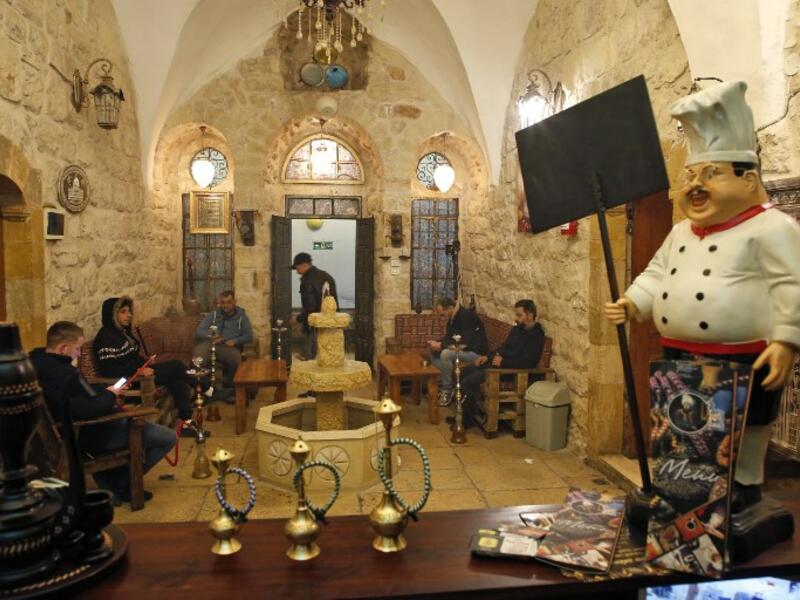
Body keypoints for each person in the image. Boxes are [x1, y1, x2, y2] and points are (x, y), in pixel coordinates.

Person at [604, 81, 800, 513]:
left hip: (745, 354)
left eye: (711, 175)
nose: (696, 186)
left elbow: (792, 285)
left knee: (749, 423)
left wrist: (787, 340)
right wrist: (633, 302)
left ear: (749, 179)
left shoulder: (771, 228)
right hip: (679, 352)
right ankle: (685, 488)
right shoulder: (680, 232)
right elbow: (656, 273)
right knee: (685, 422)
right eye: (691, 176)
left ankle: (745, 487)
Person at [29, 321, 176, 506]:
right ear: (64, 348)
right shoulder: (62, 374)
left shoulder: (37, 363)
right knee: (166, 437)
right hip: (86, 435)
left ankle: (113, 480)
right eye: (77, 349)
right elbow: (88, 410)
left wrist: (105, 390)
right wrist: (110, 395)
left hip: (73, 432)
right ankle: (119, 483)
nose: (79, 354)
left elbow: (81, 394)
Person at [93, 296, 207, 438]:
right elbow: (109, 371)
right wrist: (138, 371)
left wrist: (145, 361)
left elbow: (131, 358)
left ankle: (186, 422)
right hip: (128, 382)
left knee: (176, 380)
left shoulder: (122, 334)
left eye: (129, 311)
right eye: (123, 312)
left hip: (138, 373)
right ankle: (205, 386)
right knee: (177, 366)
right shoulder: (104, 338)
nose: (129, 315)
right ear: (112, 314)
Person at [451, 299, 545, 428]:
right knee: (460, 373)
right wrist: (487, 356)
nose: (516, 319)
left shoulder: (536, 335)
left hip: (510, 372)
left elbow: (528, 362)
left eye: (519, 315)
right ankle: (460, 414)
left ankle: (465, 420)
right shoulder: (517, 329)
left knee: (469, 381)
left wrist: (503, 362)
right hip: (496, 365)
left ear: (530, 315)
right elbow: (503, 347)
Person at [427, 297, 488, 406]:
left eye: (443, 314)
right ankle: (449, 383)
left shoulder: (466, 317)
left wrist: (442, 345)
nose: (442, 318)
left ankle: (447, 390)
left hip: (475, 353)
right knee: (433, 351)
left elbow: (466, 342)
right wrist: (437, 343)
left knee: (445, 354)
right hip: (462, 349)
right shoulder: (452, 317)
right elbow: (449, 338)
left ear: (450, 308)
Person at [194, 290, 253, 395]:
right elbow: (199, 331)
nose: (225, 306)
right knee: (198, 356)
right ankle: (205, 388)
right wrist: (211, 336)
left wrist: (235, 341)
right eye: (223, 302)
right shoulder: (213, 314)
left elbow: (248, 336)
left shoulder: (242, 316)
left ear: (234, 302)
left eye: (228, 302)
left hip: (228, 347)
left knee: (235, 359)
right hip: (210, 344)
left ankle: (228, 387)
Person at [290, 252, 338, 361]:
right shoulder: (325, 275)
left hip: (315, 324)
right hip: (330, 322)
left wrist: (298, 318)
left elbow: (311, 307)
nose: (297, 272)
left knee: (310, 360)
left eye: (297, 268)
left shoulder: (308, 280)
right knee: (326, 357)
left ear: (304, 265)